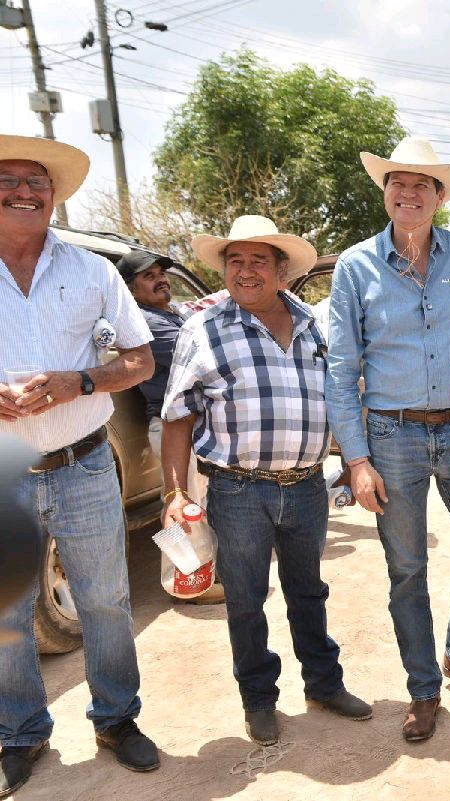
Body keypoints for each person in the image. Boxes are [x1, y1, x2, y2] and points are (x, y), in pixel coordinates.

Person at [159, 215, 372, 747]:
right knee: (246, 600)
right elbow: (177, 416)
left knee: (308, 592)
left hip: (305, 485)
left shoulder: (312, 324)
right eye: (235, 261)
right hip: (236, 489)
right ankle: (258, 698)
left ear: (282, 271)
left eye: (259, 261)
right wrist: (174, 493)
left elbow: (340, 397)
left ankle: (324, 683)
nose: (245, 271)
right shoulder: (203, 328)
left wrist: (352, 459)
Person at [326, 138, 450, 743]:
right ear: (386, 192)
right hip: (390, 436)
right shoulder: (355, 266)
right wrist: (356, 460)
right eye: (397, 183)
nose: (409, 194)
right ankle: (423, 687)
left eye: (422, 185)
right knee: (408, 568)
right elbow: (341, 367)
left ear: (439, 196)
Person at [0, 135, 159, 796]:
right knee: (8, 611)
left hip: (87, 464)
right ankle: (19, 732)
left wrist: (80, 383)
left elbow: (140, 360)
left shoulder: (91, 271)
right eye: (7, 180)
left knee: (106, 601)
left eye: (36, 181)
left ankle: (116, 720)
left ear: (54, 193)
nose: (23, 191)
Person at [118, 249, 226, 604]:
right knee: (183, 508)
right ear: (131, 290)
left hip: (194, 427)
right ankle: (190, 588)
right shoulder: (145, 322)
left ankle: (198, 578)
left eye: (160, 273)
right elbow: (207, 355)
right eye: (148, 277)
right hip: (173, 429)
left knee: (198, 507)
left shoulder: (174, 312)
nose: (160, 279)